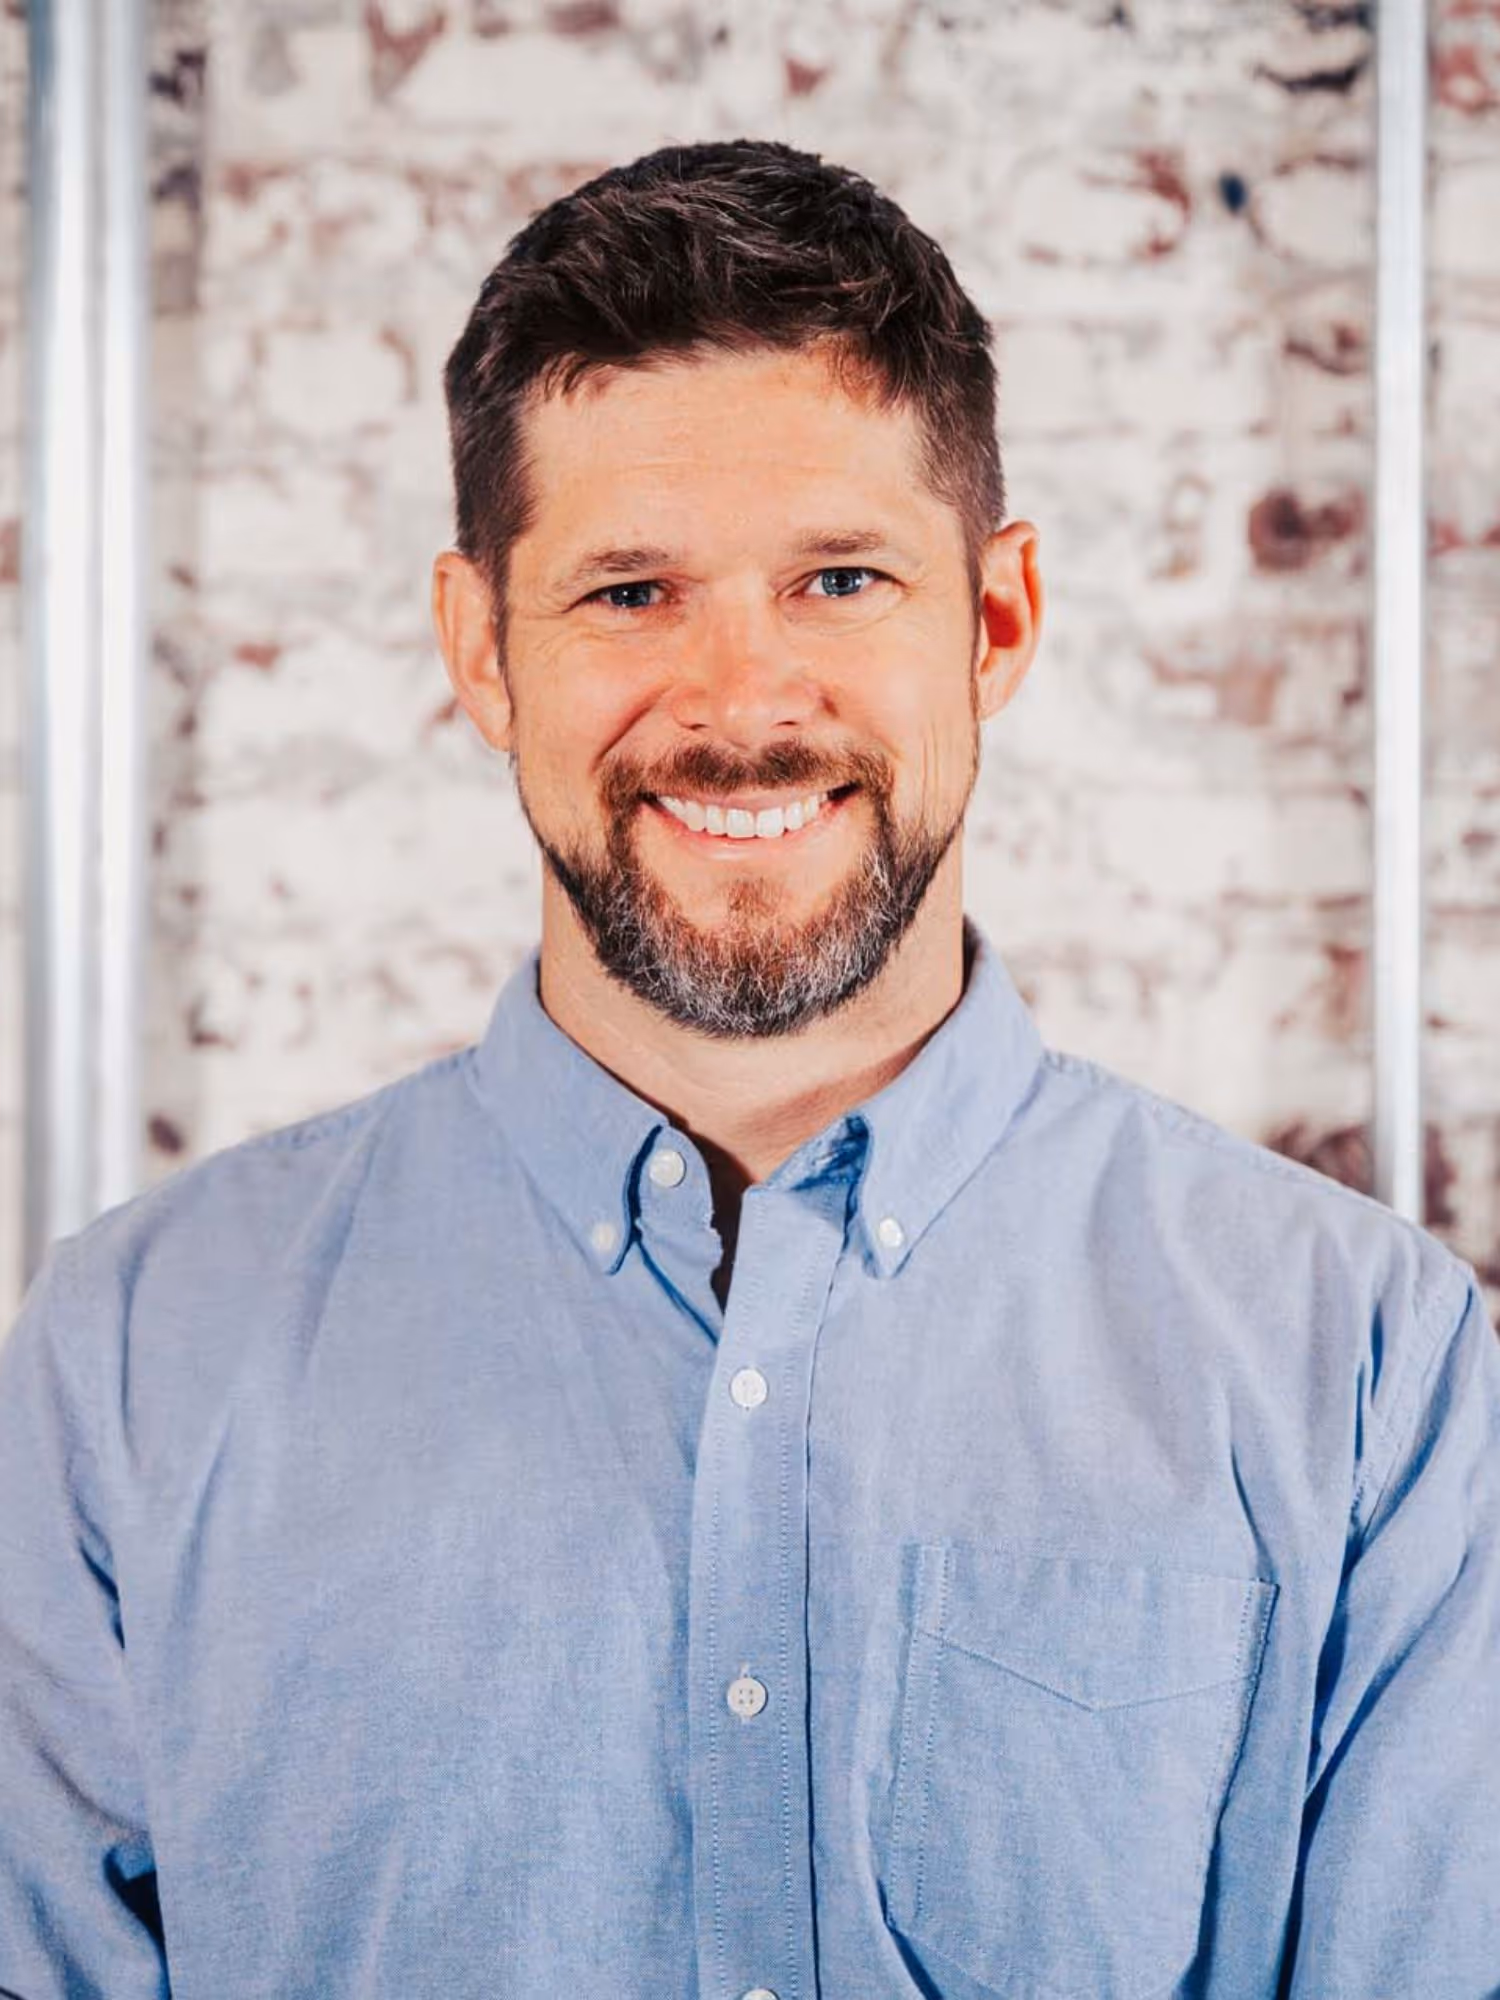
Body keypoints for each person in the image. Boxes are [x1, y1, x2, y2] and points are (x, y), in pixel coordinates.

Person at [0, 138, 1496, 2000]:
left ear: (998, 619)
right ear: (482, 648)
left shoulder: (1365, 1368)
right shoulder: (131, 1362)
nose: (738, 704)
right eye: (631, 592)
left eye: (841, 579)